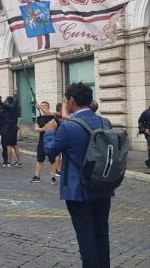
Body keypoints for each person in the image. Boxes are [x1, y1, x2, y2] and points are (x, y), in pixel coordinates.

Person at [44, 83, 114, 268]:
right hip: (104, 185)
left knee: (85, 234)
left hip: (78, 190)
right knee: (101, 232)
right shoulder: (105, 122)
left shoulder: (68, 127)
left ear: (72, 101)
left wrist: (49, 133)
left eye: (67, 100)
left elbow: (51, 152)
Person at [31, 102, 58, 184]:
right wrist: (43, 129)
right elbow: (36, 128)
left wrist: (39, 107)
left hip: (51, 140)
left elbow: (47, 113)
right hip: (42, 140)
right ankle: (37, 176)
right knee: (40, 159)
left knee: (52, 160)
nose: (44, 107)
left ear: (49, 107)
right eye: (42, 106)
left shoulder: (52, 115)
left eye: (45, 106)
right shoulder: (39, 118)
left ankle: (53, 177)